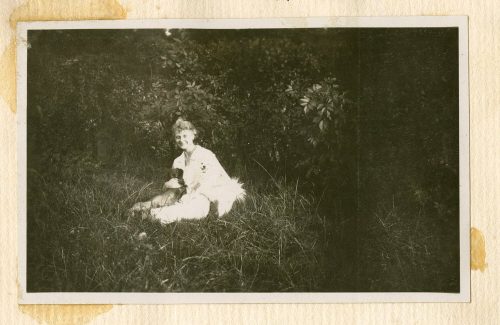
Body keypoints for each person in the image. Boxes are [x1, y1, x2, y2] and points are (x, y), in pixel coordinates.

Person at [149, 118, 245, 224]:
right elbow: (178, 187)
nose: (181, 140)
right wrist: (169, 184)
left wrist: (190, 195)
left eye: (185, 136)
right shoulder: (178, 161)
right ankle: (155, 214)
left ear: (193, 135)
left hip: (212, 194)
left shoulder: (205, 154)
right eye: (178, 137)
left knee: (198, 207)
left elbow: (210, 182)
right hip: (192, 195)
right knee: (181, 203)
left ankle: (157, 215)